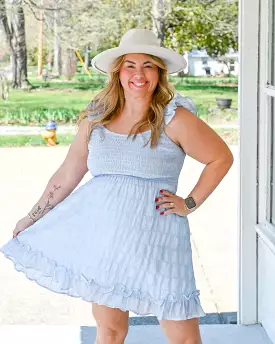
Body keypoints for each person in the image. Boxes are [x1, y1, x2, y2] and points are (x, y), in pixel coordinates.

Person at [0, 28, 234, 344]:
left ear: (160, 72)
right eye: (130, 65)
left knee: (183, 337)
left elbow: (220, 158)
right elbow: (68, 172)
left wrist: (189, 202)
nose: (139, 74)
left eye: (148, 65)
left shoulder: (174, 119)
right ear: (118, 72)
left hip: (158, 239)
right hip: (107, 239)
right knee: (110, 332)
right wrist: (32, 216)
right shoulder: (97, 118)